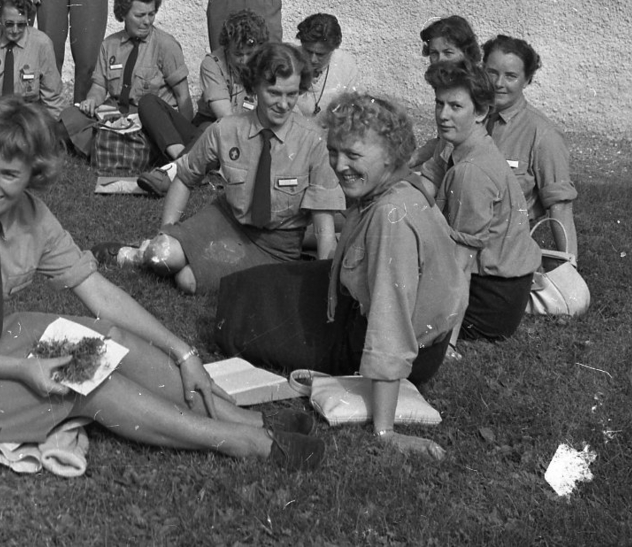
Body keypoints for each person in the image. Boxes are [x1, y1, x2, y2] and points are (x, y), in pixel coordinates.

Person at [0, 98, 326, 469]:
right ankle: (247, 443)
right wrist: (23, 369)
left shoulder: (31, 216)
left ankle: (248, 418)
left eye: (9, 174)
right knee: (88, 381)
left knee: (106, 342)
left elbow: (99, 292)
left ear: (34, 175)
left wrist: (182, 352)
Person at [215, 94, 462, 460]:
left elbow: (390, 321)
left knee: (239, 326)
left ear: (391, 156)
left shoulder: (390, 218)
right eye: (334, 152)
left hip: (386, 344)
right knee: (255, 284)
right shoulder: (402, 188)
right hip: (376, 315)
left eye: (354, 156)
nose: (340, 165)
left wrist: (385, 431)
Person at [99, 43, 340, 294]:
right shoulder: (226, 129)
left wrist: (323, 278)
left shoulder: (313, 140)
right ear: (255, 86)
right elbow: (184, 177)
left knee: (187, 281)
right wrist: (168, 231)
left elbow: (323, 219)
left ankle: (167, 257)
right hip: (226, 220)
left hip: (277, 247)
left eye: (292, 94)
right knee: (163, 254)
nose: (284, 103)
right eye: (274, 93)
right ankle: (138, 253)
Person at [416, 61, 541, 343]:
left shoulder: (471, 171)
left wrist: (444, 342)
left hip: (491, 301)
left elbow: (462, 264)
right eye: (439, 103)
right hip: (500, 287)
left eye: (455, 107)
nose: (443, 115)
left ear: (481, 112)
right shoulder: (465, 145)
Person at [134, 8, 269, 198]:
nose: (244, 60)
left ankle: (169, 173)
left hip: (246, 137)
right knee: (148, 102)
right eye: (238, 54)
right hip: (210, 128)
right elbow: (225, 116)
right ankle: (188, 162)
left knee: (213, 130)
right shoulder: (212, 63)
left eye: (250, 53)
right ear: (226, 46)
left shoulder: (267, 64)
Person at [64, 0, 191, 172]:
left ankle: (106, 149)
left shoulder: (166, 45)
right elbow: (99, 87)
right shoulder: (110, 44)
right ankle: (115, 147)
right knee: (69, 117)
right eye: (140, 15)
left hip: (148, 119)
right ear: (123, 14)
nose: (147, 21)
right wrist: (91, 101)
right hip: (116, 113)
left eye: (151, 14)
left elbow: (183, 96)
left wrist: (184, 135)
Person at [482, 35, 579, 261]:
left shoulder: (543, 135)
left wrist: (568, 273)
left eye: (511, 76)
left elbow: (561, 209)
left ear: (527, 80)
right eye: (492, 72)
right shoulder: (470, 118)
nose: (498, 83)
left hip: (506, 256)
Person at [0, 0, 65, 117]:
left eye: (21, 25)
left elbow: (52, 97)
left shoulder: (42, 44)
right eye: (9, 24)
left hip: (28, 115)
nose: (15, 30)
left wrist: (52, 130)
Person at [295, 13, 360, 126]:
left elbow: (351, 111)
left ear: (333, 50)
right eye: (308, 51)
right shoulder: (287, 59)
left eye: (321, 54)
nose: (313, 59)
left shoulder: (346, 67)